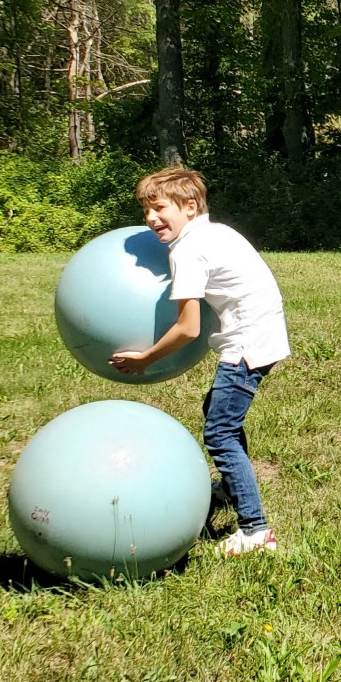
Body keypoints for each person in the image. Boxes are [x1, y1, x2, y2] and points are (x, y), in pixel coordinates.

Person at [111, 168, 290, 556]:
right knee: (218, 410)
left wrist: (145, 359)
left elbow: (188, 328)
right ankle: (229, 487)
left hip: (246, 342)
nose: (151, 219)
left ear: (189, 206)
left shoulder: (188, 249)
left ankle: (256, 531)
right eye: (146, 211)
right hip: (264, 333)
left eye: (159, 208)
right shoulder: (217, 232)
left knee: (219, 432)